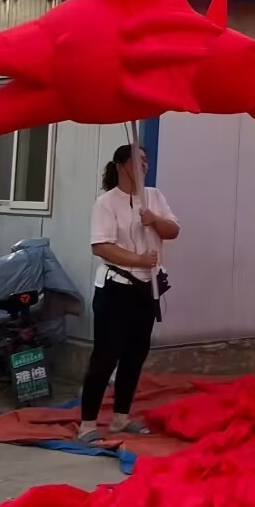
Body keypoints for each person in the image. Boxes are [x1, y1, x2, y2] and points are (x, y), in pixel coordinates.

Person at [78, 144, 179, 443]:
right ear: (123, 166)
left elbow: (173, 230)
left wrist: (155, 221)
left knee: (136, 355)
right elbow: (100, 246)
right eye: (139, 160)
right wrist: (138, 260)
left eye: (147, 160)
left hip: (147, 289)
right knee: (106, 356)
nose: (145, 165)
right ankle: (87, 423)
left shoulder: (155, 197)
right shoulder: (107, 203)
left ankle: (121, 418)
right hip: (115, 289)